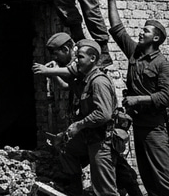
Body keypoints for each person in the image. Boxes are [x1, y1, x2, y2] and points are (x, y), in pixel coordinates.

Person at [106, 0, 169, 196]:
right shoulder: (135, 53)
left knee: (164, 180)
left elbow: (166, 97)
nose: (141, 33)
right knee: (149, 181)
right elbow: (117, 29)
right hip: (138, 126)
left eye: (145, 31)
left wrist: (137, 100)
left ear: (155, 38)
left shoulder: (163, 65)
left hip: (155, 128)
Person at [50, 40, 119, 196]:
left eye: (80, 57)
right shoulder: (85, 80)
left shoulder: (98, 81)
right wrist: (53, 73)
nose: (76, 61)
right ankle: (76, 190)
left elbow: (103, 114)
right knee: (65, 146)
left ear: (92, 58)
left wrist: (78, 125)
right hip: (89, 137)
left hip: (102, 140)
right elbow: (66, 86)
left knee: (104, 189)